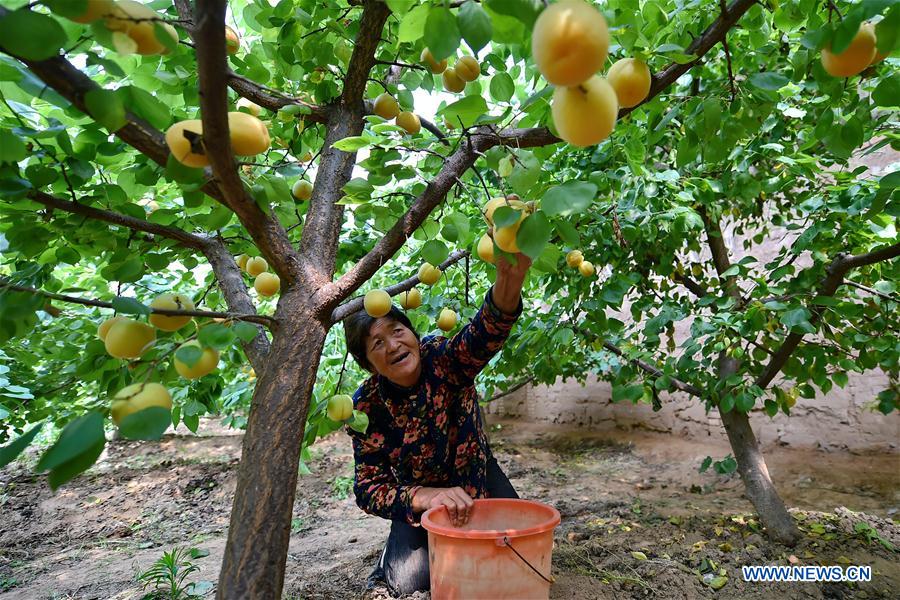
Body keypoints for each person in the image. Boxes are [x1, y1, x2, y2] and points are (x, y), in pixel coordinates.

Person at [341, 250, 532, 596]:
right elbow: (367, 488)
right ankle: (389, 560)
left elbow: (487, 330)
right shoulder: (365, 408)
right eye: (377, 344)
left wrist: (510, 279)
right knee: (408, 582)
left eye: (397, 331)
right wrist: (425, 497)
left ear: (412, 333)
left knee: (517, 550)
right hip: (421, 499)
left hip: (476, 475)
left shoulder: (443, 359)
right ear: (368, 365)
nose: (393, 345)